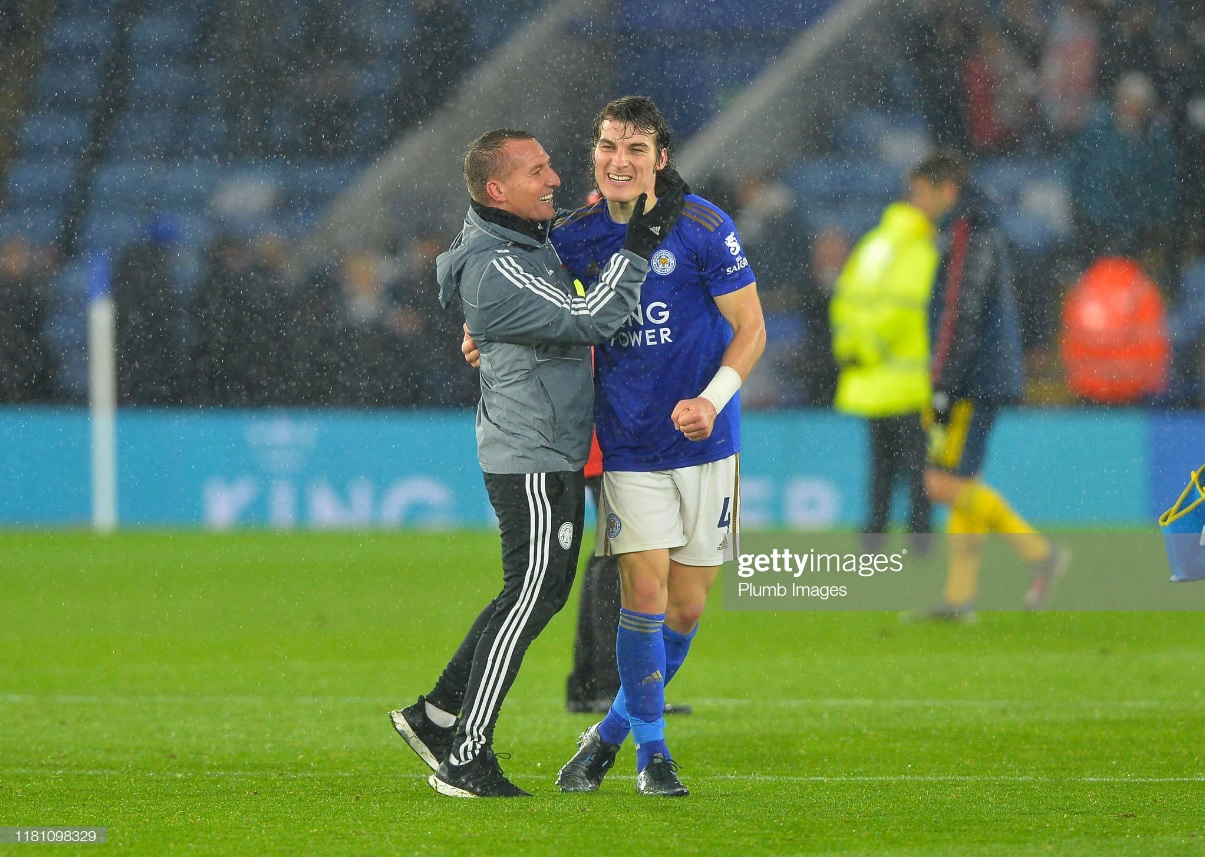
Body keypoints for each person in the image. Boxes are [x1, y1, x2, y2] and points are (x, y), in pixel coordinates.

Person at [388, 128, 683, 798]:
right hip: (533, 455)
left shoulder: (518, 244)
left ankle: (434, 716)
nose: (553, 178)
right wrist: (641, 240)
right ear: (498, 191)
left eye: (550, 165)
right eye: (537, 170)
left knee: (531, 592)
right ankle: (465, 755)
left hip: (540, 447)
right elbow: (593, 316)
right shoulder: (498, 262)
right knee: (529, 596)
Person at [551, 96, 766, 796]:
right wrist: (479, 333)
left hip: (707, 443)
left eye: (635, 149)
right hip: (628, 447)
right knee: (641, 593)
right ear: (594, 154)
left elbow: (751, 329)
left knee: (687, 608)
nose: (619, 160)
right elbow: (524, 297)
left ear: (659, 160)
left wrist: (710, 399)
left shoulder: (704, 227)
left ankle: (606, 734)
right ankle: (653, 753)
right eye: (609, 146)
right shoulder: (574, 236)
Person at [907, 150, 1069, 620]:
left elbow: (961, 310)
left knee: (938, 482)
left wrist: (942, 383)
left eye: (920, 192)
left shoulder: (966, 232)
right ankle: (960, 599)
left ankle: (1040, 554)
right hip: (987, 373)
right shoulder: (980, 227)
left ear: (946, 190)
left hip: (973, 379)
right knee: (962, 482)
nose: (916, 203)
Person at [830, 197, 938, 555]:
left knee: (881, 469)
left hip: (868, 381)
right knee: (919, 469)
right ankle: (921, 541)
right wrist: (875, 345)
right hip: (907, 383)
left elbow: (844, 300)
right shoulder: (918, 251)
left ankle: (873, 540)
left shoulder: (872, 245)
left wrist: (853, 348)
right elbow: (904, 308)